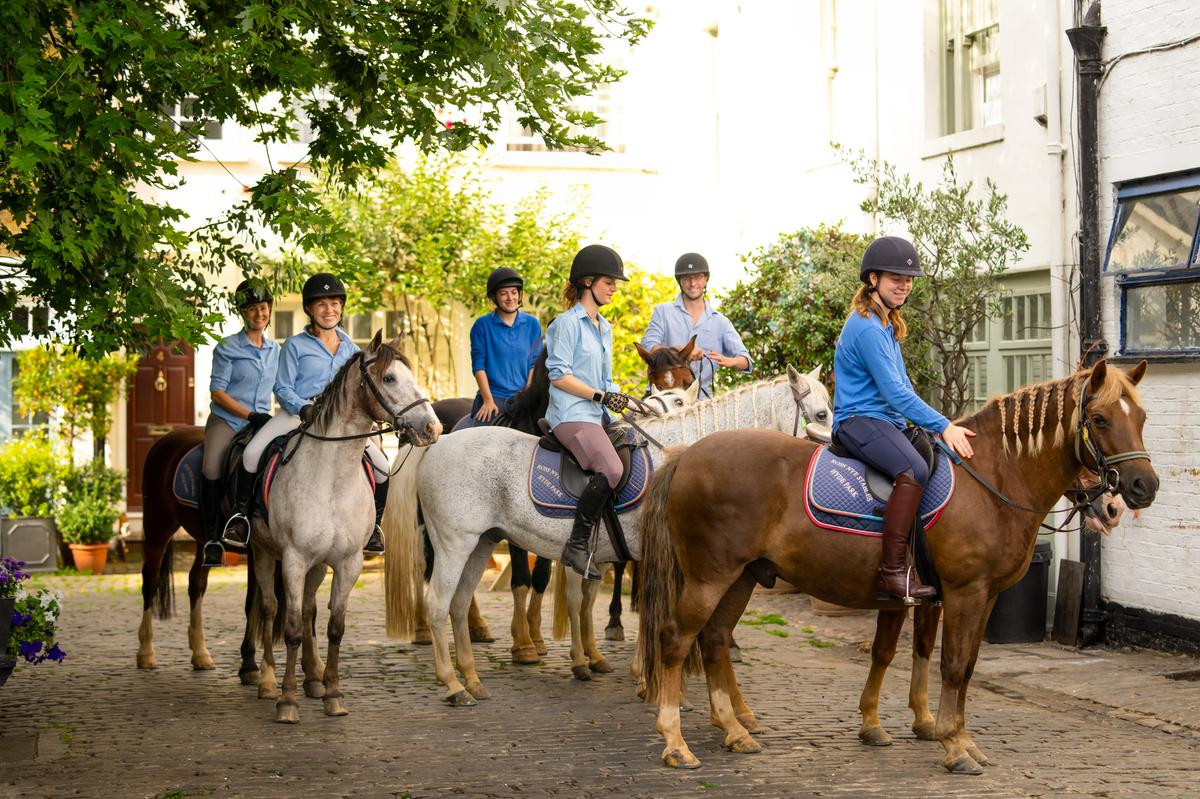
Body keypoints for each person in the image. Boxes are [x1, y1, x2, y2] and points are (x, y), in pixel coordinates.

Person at [832, 236, 975, 604]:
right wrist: (944, 424)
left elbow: (902, 389)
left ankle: (924, 563)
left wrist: (931, 429)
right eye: (896, 277)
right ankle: (892, 574)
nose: (904, 285)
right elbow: (896, 394)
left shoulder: (886, 324)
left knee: (933, 457)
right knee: (913, 470)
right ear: (874, 279)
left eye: (909, 279)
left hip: (886, 421)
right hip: (858, 421)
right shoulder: (866, 327)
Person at [222, 272, 391, 554]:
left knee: (383, 466)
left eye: (335, 304)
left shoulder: (351, 348)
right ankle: (241, 519)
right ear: (310, 310)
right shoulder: (294, 345)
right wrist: (304, 407)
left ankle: (373, 527)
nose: (330, 310)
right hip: (300, 413)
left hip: (343, 421)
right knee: (252, 453)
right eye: (322, 305)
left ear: (341, 308)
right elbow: (282, 387)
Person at [545, 244, 633, 580]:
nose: (614, 288)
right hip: (571, 414)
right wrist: (600, 395)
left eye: (614, 283)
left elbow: (605, 379)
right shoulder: (566, 324)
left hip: (597, 415)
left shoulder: (604, 327)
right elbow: (559, 375)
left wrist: (617, 401)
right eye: (609, 281)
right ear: (587, 282)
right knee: (611, 469)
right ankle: (577, 544)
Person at [200, 279, 280, 567]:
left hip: (263, 423)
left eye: (264, 307)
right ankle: (211, 538)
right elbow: (217, 392)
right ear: (243, 313)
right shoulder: (228, 348)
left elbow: (282, 386)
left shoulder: (276, 351)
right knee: (211, 466)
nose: (260, 313)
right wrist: (248, 414)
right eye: (253, 309)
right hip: (230, 421)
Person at [641, 252, 752, 398]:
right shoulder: (662, 311)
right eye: (686, 278)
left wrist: (730, 361)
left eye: (698, 277)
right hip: (663, 397)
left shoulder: (720, 322)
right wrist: (679, 350)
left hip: (702, 401)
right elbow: (648, 346)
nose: (692, 283)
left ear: (705, 279)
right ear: (680, 281)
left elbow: (746, 361)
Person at [456, 267, 543, 430]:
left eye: (514, 292)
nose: (510, 298)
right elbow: (479, 366)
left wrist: (528, 394)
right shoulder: (482, 325)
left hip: (523, 398)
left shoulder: (532, 324)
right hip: (494, 397)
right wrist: (488, 400)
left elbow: (535, 362)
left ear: (519, 294)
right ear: (495, 297)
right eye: (504, 293)